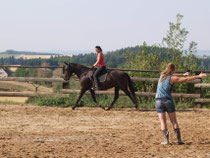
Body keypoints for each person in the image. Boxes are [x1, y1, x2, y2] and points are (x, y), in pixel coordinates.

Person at [155, 63, 206, 145]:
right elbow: (185, 80)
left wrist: (183, 74)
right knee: (174, 121)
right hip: (167, 100)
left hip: (158, 101)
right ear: (173, 70)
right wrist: (198, 76)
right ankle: (179, 140)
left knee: (163, 122)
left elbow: (174, 75)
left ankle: (166, 140)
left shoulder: (162, 75)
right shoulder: (172, 78)